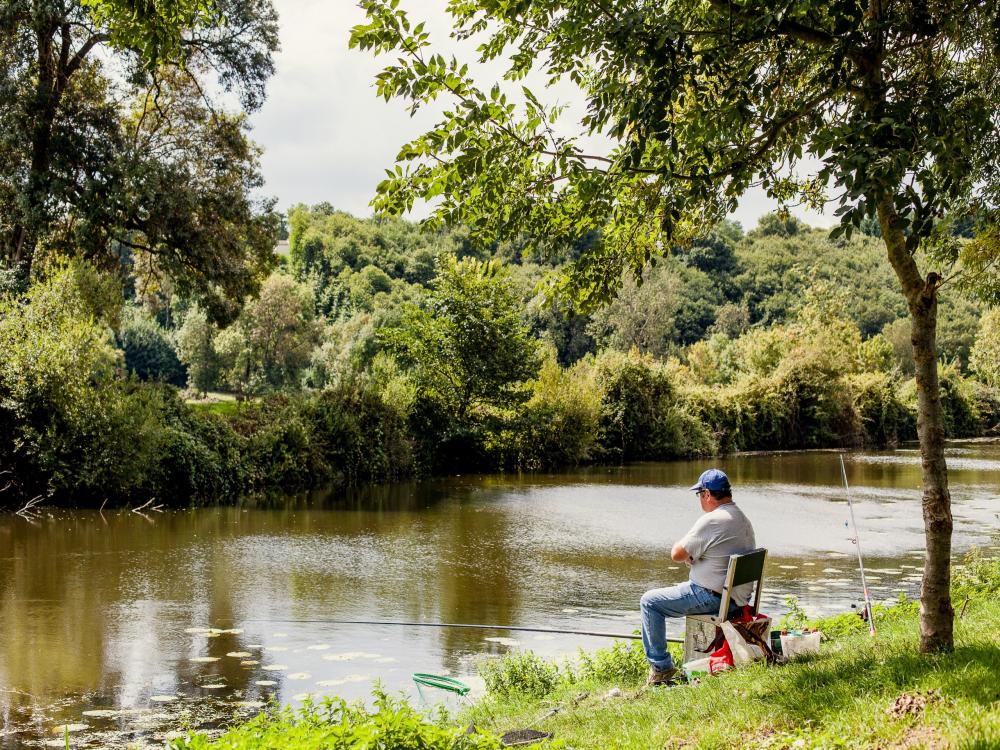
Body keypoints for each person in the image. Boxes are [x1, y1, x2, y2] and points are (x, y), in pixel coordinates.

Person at [640, 468, 756, 686]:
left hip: (710, 597)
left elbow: (677, 554)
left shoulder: (712, 520)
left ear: (707, 494)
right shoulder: (741, 518)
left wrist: (691, 554)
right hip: (736, 600)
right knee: (662, 596)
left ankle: (661, 668)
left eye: (699, 495)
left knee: (649, 602)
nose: (699, 500)